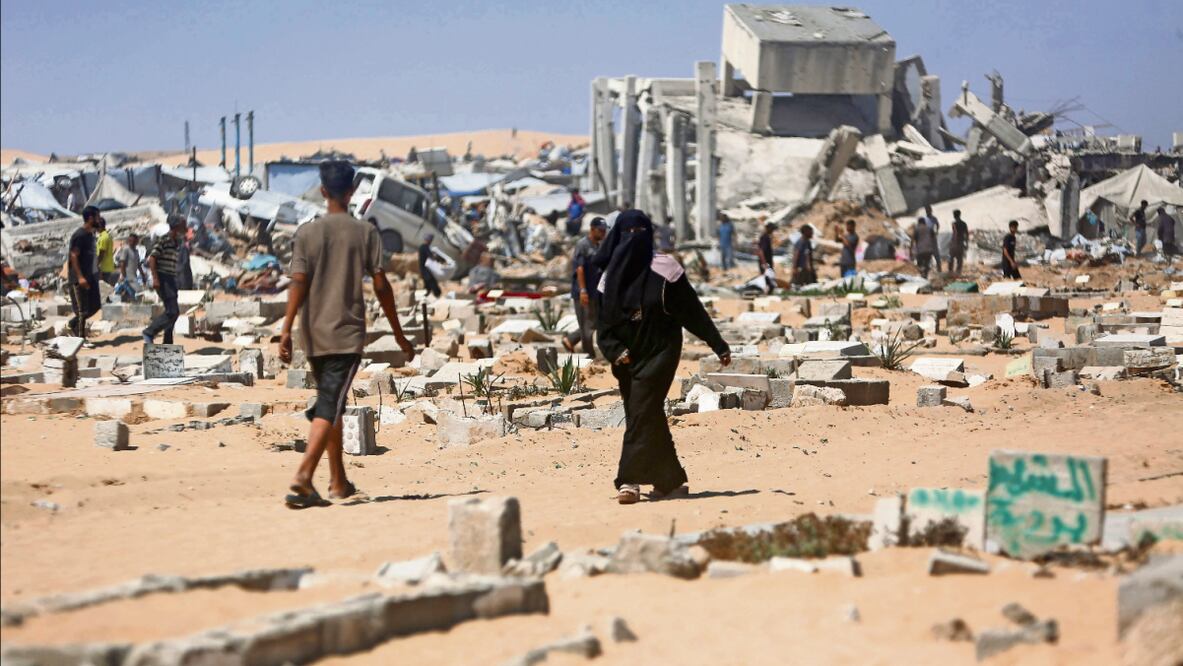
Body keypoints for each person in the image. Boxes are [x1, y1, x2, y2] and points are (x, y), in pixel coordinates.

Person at [278, 161, 415, 508]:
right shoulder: (365, 232)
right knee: (329, 403)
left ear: (323, 191)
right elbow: (381, 285)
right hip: (345, 333)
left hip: (312, 334)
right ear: (352, 191)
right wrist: (399, 335)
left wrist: (285, 330)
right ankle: (303, 478)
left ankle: (338, 482)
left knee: (332, 401)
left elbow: (298, 282)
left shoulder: (307, 233)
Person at [592, 210, 730, 504]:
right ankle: (669, 481)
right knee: (646, 414)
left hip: (660, 353)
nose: (634, 239)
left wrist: (718, 344)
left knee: (641, 411)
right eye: (628, 233)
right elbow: (602, 327)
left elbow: (692, 311)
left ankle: (628, 481)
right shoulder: (608, 279)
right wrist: (616, 351)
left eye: (640, 232)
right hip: (626, 360)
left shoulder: (666, 270)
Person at [564, 216, 607, 355]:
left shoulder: (598, 246)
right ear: (592, 229)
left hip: (594, 291)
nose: (603, 233)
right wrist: (583, 290)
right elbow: (580, 269)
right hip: (583, 291)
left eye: (604, 230)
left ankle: (570, 340)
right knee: (587, 326)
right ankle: (588, 356)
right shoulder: (582, 245)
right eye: (600, 230)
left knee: (594, 322)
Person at [142, 216, 185, 345]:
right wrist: (155, 278)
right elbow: (152, 258)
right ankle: (149, 332)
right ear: (176, 226)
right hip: (163, 278)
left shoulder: (176, 242)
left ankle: (167, 342)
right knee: (172, 312)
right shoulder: (164, 240)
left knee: (171, 312)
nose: (185, 227)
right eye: (183, 224)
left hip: (171, 278)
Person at [66, 206, 102, 338]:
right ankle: (80, 339)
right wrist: (80, 277)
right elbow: (74, 256)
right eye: (97, 217)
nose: (99, 219)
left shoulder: (90, 235)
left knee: (96, 305)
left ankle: (72, 324)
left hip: (90, 276)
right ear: (91, 218)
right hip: (78, 278)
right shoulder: (79, 235)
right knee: (82, 310)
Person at [115, 233, 144, 300]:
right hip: (128, 276)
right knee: (137, 292)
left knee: (132, 293)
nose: (132, 242)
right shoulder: (126, 250)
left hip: (133, 276)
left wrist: (142, 274)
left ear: (137, 242)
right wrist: (123, 275)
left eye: (134, 241)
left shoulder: (136, 251)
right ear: (128, 241)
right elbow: (122, 263)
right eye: (130, 241)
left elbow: (138, 264)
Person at [418, 233, 442, 298]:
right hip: (425, 269)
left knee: (427, 282)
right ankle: (437, 294)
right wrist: (438, 257)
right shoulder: (425, 247)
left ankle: (427, 296)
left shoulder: (423, 247)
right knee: (431, 281)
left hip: (423, 268)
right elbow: (431, 257)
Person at [96, 217, 117, 285]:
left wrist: (96, 265)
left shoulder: (103, 238)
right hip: (108, 266)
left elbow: (101, 253)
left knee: (104, 287)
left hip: (104, 268)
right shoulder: (106, 236)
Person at [756, 222, 776, 291]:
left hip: (766, 262)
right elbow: (761, 251)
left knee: (768, 278)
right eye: (772, 229)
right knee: (766, 279)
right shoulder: (765, 237)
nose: (772, 231)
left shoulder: (767, 237)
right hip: (765, 262)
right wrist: (764, 263)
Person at [949, 210, 969, 275]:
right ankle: (958, 272)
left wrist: (952, 243)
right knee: (959, 259)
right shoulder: (964, 223)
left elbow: (955, 233)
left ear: (954, 215)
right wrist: (967, 244)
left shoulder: (954, 223)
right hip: (961, 243)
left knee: (951, 258)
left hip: (955, 243)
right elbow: (967, 234)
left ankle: (950, 272)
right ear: (960, 215)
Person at [924, 205, 942, 272]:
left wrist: (936, 231)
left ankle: (939, 269)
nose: (928, 211)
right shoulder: (924, 219)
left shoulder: (934, 218)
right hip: (927, 238)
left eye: (929, 210)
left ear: (931, 210)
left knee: (936, 253)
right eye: (927, 210)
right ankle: (929, 270)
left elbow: (937, 225)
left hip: (932, 237)